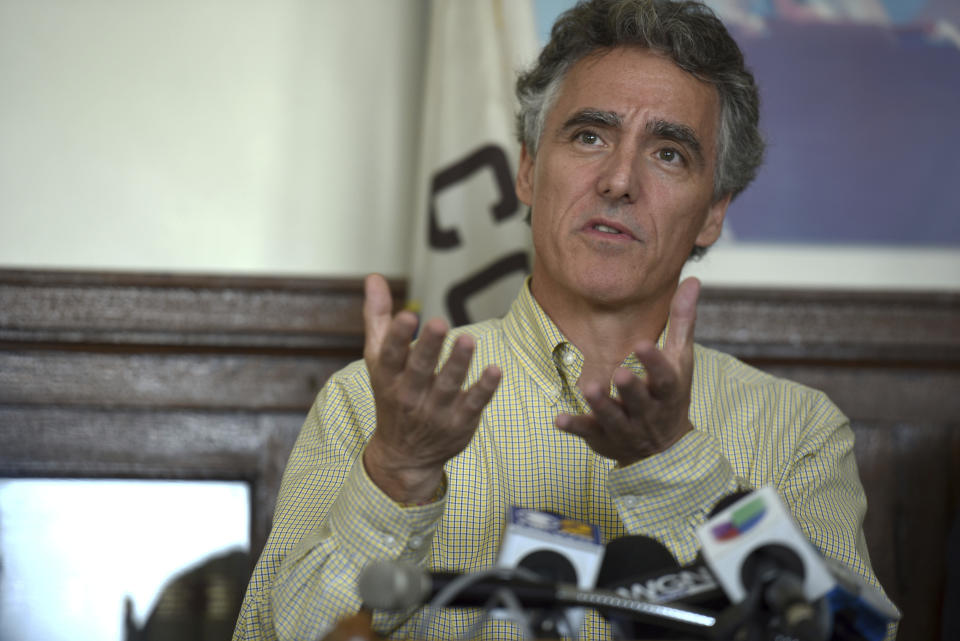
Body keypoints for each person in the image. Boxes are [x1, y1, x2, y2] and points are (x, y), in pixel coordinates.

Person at [234, 1, 895, 639]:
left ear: (714, 212)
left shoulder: (799, 430)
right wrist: (396, 476)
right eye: (589, 136)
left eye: (668, 153)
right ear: (526, 169)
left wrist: (675, 466)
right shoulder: (369, 405)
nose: (618, 180)